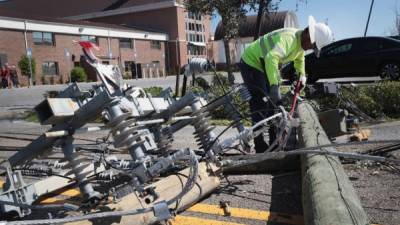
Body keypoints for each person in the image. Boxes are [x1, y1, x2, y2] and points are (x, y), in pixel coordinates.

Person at [239, 16, 333, 153]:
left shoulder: (300, 45)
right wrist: (274, 86)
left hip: (265, 64)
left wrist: (302, 77)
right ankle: (259, 145)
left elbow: (300, 60)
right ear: (309, 36)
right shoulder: (289, 38)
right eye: (313, 46)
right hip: (251, 62)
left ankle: (274, 143)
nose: (310, 49)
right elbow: (272, 57)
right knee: (260, 103)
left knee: (273, 106)